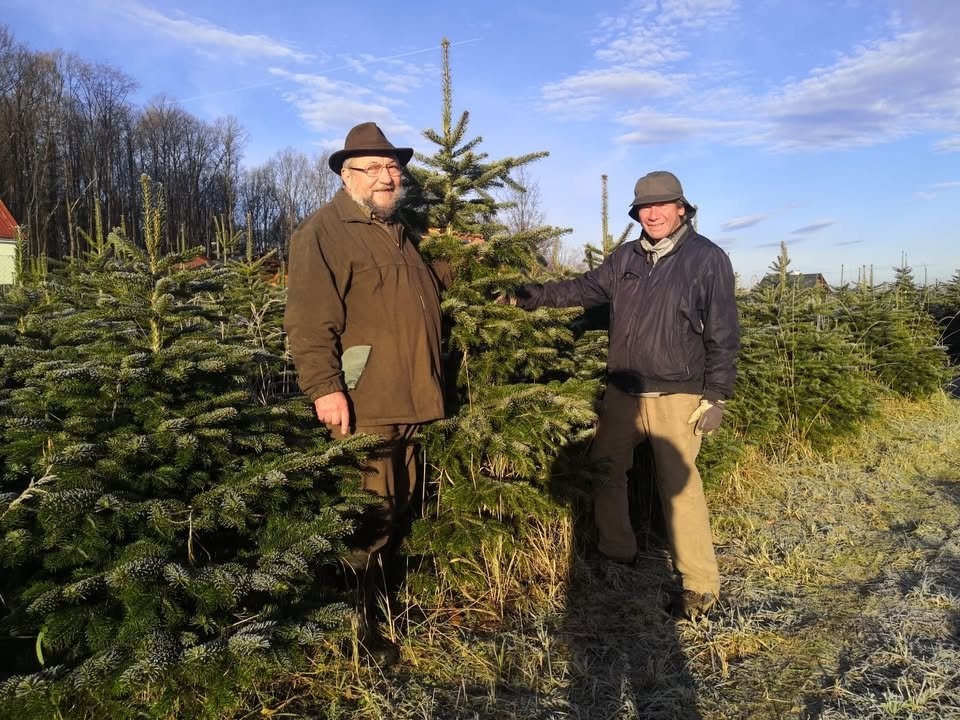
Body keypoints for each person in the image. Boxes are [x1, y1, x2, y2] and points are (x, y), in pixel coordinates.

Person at [511, 171, 739, 620]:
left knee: (679, 486)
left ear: (681, 209)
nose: (651, 214)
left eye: (661, 206)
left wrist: (717, 396)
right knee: (606, 469)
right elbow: (581, 289)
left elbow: (724, 332)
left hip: (678, 392)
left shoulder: (707, 259)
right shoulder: (625, 258)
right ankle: (618, 553)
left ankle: (700, 584)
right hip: (624, 391)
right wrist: (527, 297)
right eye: (643, 209)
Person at [284, 122, 449, 663]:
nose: (388, 176)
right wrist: (325, 389)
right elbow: (309, 321)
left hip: (412, 398)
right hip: (365, 401)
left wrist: (464, 257)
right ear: (346, 174)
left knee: (400, 507)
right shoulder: (324, 231)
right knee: (365, 515)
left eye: (393, 168)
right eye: (374, 168)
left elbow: (429, 291)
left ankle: (386, 606)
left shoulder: (399, 232)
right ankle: (358, 630)